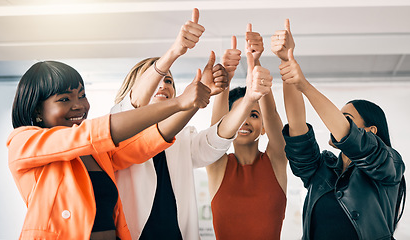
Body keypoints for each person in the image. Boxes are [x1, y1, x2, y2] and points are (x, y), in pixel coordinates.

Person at [7, 60, 211, 240]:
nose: (79, 105)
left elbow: (145, 143)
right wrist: (178, 103)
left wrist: (189, 104)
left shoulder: (96, 152)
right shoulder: (23, 143)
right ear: (37, 111)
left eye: (82, 95)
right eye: (64, 99)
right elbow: (92, 134)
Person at [111, 8, 251, 240]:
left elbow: (215, 142)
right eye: (156, 79)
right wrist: (175, 52)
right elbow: (133, 106)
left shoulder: (183, 137)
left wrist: (242, 93)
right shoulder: (117, 124)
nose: (164, 84)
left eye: (169, 80)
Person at [276, 19, 406, 240]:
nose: (333, 122)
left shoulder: (388, 165)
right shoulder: (322, 170)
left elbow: (350, 137)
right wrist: (286, 62)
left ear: (371, 131)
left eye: (345, 118)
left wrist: (305, 85)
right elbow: (296, 126)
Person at [207, 24, 287, 240]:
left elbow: (271, 114)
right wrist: (226, 77)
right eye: (239, 114)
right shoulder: (217, 165)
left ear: (262, 128)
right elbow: (217, 129)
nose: (245, 120)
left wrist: (257, 64)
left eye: (253, 114)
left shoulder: (276, 160)